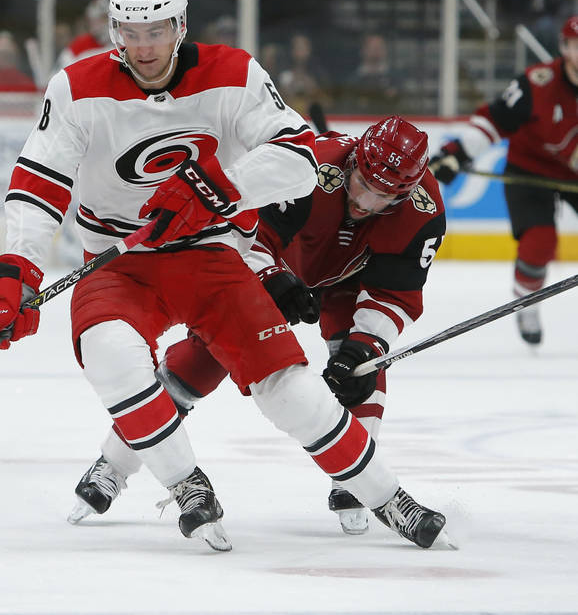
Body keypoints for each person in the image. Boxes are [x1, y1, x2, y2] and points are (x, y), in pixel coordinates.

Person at [0, 0, 448, 551]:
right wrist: (15, 269)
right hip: (117, 261)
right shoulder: (75, 87)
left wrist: (215, 187)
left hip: (210, 254)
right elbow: (38, 181)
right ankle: (187, 486)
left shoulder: (234, 74)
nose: (142, 45)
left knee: (290, 385)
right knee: (112, 354)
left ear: (180, 25)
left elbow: (298, 157)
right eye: (129, 30)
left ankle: (390, 498)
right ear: (113, 30)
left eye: (155, 30)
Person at [69, 117, 445, 538]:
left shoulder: (422, 213)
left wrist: (365, 346)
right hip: (278, 268)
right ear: (354, 160)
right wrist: (271, 278)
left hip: (350, 283)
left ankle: (356, 484)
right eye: (362, 184)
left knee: (361, 371)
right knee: (202, 360)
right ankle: (115, 462)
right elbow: (246, 235)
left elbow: (392, 295)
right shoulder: (313, 166)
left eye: (383, 198)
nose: (365, 203)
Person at [429, 14, 578, 347]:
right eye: (576, 45)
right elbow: (494, 120)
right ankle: (528, 303)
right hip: (530, 168)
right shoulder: (537, 84)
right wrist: (456, 153)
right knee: (538, 242)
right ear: (564, 48)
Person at [53, 0, 112, 70]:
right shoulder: (76, 47)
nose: (98, 24)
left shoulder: (123, 42)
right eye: (93, 20)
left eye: (104, 18)